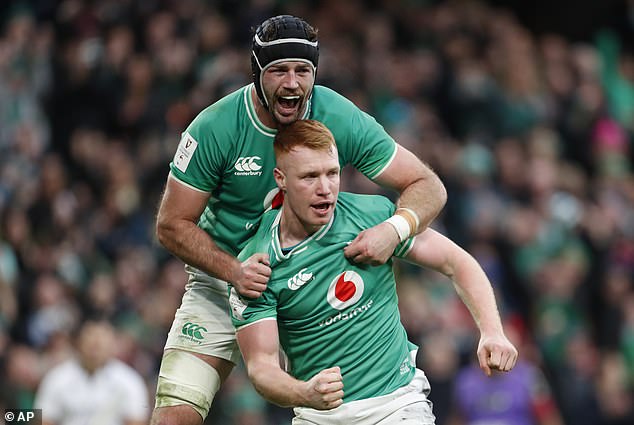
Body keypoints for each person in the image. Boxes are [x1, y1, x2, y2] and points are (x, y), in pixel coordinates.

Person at [152, 14, 447, 425]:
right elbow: (170, 224)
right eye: (278, 71)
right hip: (223, 284)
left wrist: (393, 229)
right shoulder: (214, 128)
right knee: (175, 415)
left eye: (302, 70)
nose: (292, 83)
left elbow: (426, 185)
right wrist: (234, 270)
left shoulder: (337, 115)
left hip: (311, 284)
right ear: (257, 73)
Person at [230, 119, 518, 424]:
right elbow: (261, 367)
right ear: (281, 179)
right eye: (309, 177)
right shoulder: (257, 263)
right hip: (319, 416)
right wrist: (305, 392)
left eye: (332, 173)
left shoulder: (372, 218)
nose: (325, 189)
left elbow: (456, 262)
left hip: (398, 405)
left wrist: (492, 331)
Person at [34, 320, 149, 425]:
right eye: (90, 338)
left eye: (101, 340)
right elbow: (44, 420)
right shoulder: (57, 378)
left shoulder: (129, 381)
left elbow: (136, 420)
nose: (95, 345)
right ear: (78, 342)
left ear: (112, 343)